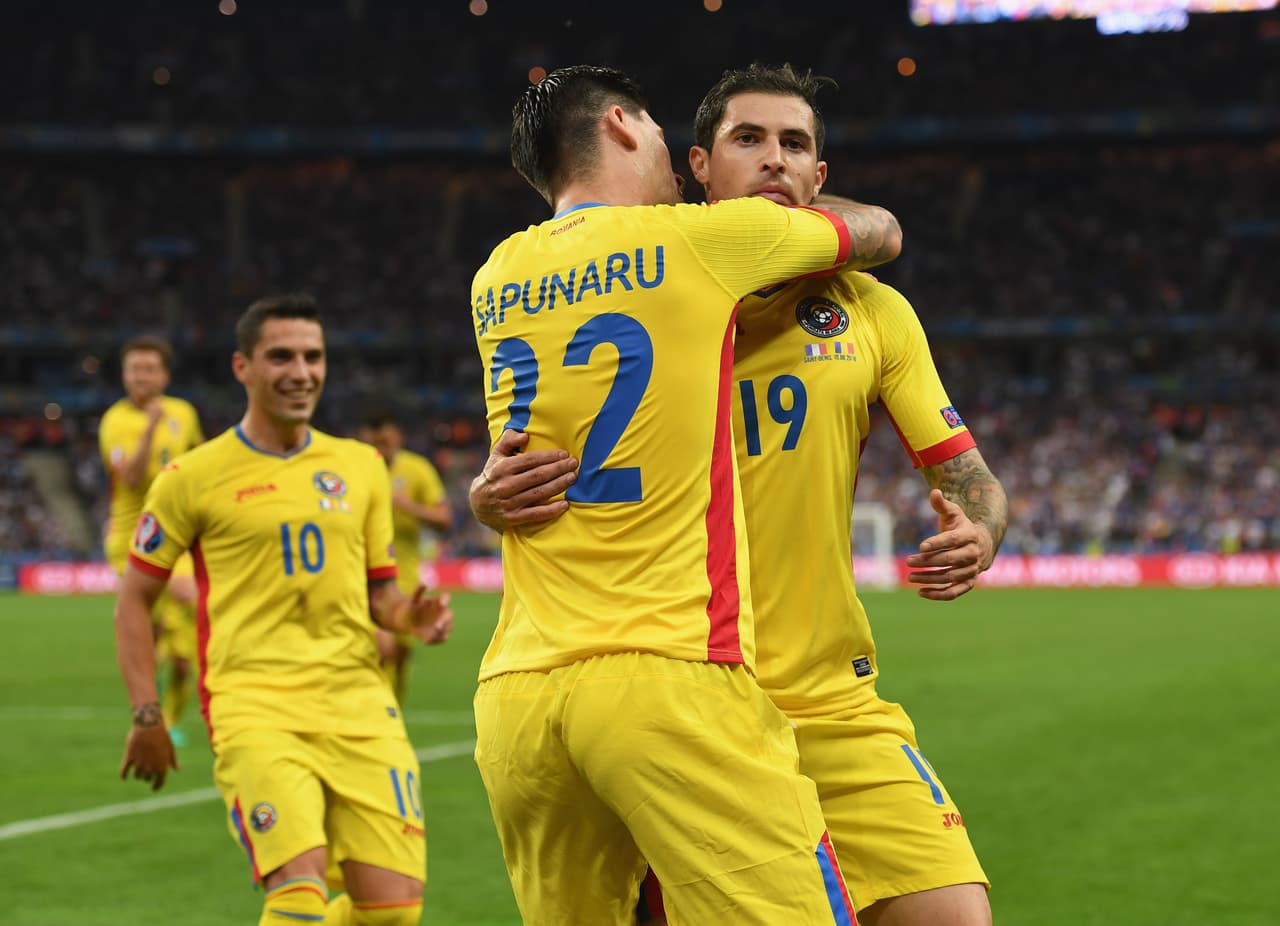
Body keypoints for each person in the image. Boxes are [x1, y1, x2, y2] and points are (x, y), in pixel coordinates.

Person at [472, 64, 1008, 926]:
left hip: (827, 698)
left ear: (820, 179)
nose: (775, 161)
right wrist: (484, 495)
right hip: (694, 690)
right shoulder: (671, 265)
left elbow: (968, 477)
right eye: (748, 141)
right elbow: (524, 451)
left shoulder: (872, 314)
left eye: (796, 144)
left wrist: (979, 531)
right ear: (697, 170)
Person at [114, 293, 453, 926]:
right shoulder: (192, 476)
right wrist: (146, 711)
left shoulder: (360, 468)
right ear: (243, 367)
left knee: (395, 912)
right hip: (255, 703)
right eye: (281, 356)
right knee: (298, 899)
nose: (301, 371)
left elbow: (381, 591)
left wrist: (412, 617)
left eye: (312, 356)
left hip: (357, 700)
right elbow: (135, 598)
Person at [99, 335, 203, 744]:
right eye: (133, 369)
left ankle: (171, 720)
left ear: (165, 374)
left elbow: (200, 460)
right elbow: (130, 477)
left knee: (180, 655)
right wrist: (152, 428)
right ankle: (146, 706)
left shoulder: (185, 413)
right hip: (132, 539)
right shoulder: (115, 421)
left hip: (175, 534)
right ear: (124, 375)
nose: (141, 376)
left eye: (149, 368)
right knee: (159, 617)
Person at [357, 412, 452, 704]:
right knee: (373, 650)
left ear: (398, 436)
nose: (381, 448)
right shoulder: (353, 469)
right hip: (360, 574)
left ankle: (391, 709)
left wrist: (408, 506)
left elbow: (444, 518)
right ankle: (373, 711)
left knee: (399, 652)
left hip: (404, 576)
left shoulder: (417, 470)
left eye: (385, 441)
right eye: (373, 442)